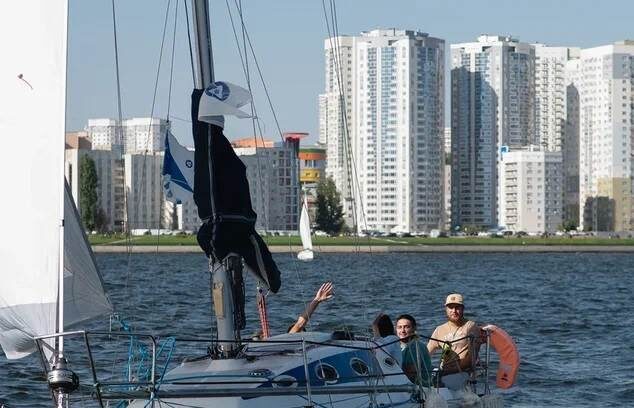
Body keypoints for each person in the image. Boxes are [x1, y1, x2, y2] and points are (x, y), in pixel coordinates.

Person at [427, 293, 480, 375]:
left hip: (464, 373)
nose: (454, 311)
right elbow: (426, 354)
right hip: (443, 373)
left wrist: (452, 370)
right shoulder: (439, 330)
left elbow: (472, 358)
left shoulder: (471, 327)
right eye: (450, 307)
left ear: (463, 308)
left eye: (457, 307)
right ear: (446, 309)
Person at [395, 314, 432, 386]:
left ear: (414, 328)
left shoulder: (416, 347)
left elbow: (411, 373)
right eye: (399, 327)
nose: (402, 331)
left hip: (420, 387)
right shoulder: (396, 346)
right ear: (395, 329)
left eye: (406, 327)